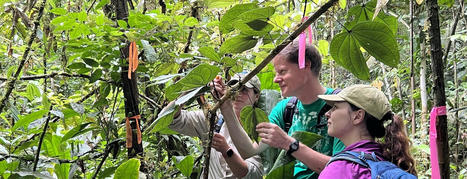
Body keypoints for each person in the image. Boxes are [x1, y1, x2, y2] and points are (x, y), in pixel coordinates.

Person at [223, 40, 345, 178]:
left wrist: (288, 143)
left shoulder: (340, 105)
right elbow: (249, 151)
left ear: (305, 65)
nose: (276, 79)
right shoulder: (285, 108)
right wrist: (226, 108)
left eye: (282, 71)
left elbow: (344, 170)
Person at [258, 84, 418, 178]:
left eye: (335, 108)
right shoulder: (384, 159)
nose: (328, 113)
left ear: (357, 116)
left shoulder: (340, 169)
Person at [162, 72, 264, 179]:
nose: (237, 93)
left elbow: (253, 174)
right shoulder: (214, 120)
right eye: (234, 88)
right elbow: (169, 119)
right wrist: (191, 88)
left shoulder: (260, 132)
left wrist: (226, 151)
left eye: (244, 89)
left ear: (256, 96)